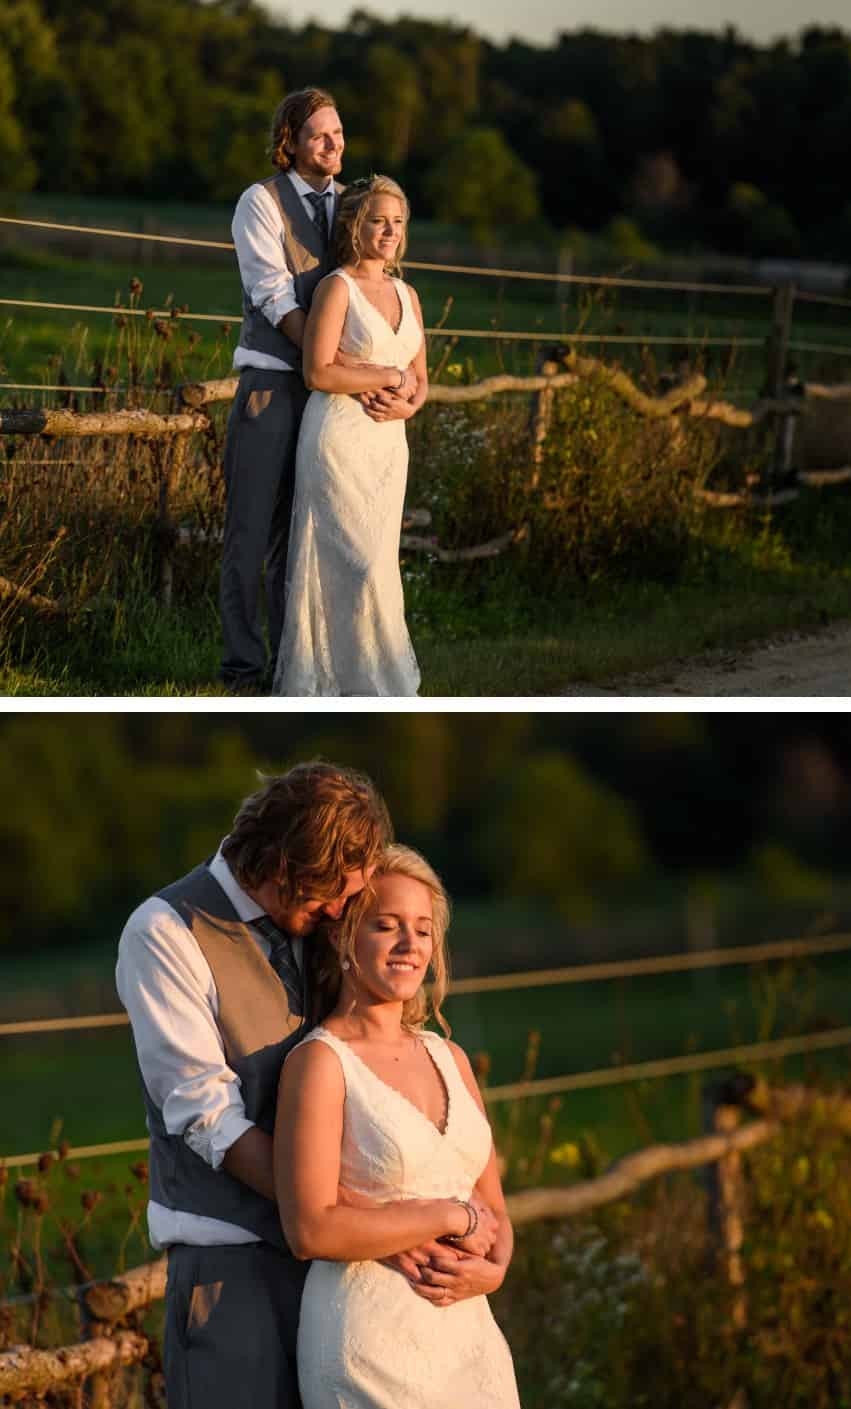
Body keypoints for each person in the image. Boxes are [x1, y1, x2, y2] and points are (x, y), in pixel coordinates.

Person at [114, 763, 496, 1408]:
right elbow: (207, 1117)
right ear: (281, 864)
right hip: (236, 1271)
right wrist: (366, 1220)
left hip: (357, 1277)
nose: (342, 911)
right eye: (332, 895)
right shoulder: (164, 932)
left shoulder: (317, 920)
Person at [276, 844, 520, 1408]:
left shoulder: (449, 1057)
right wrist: (444, 1215)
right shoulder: (320, 1063)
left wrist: (496, 1272)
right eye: (387, 926)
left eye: (424, 929)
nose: (411, 946)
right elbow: (309, 1229)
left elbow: (495, 1209)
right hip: (368, 1341)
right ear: (342, 938)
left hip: (469, 1339)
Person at [271, 174, 428, 696]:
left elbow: (421, 381)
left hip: (387, 448)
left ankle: (378, 683)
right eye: (378, 221)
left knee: (380, 568)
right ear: (356, 226)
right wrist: (386, 378)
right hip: (338, 441)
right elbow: (318, 372)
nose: (389, 232)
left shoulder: (409, 294)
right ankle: (334, 680)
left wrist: (408, 402)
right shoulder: (337, 288)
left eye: (397, 223)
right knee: (352, 566)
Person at [217, 89, 344, 692]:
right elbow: (274, 297)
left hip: (330, 400)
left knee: (301, 542)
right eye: (319, 134)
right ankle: (242, 670)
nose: (333, 144)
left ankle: (289, 672)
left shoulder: (352, 207)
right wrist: (326, 358)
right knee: (248, 534)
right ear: (288, 140)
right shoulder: (258, 203)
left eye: (338, 133)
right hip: (271, 385)